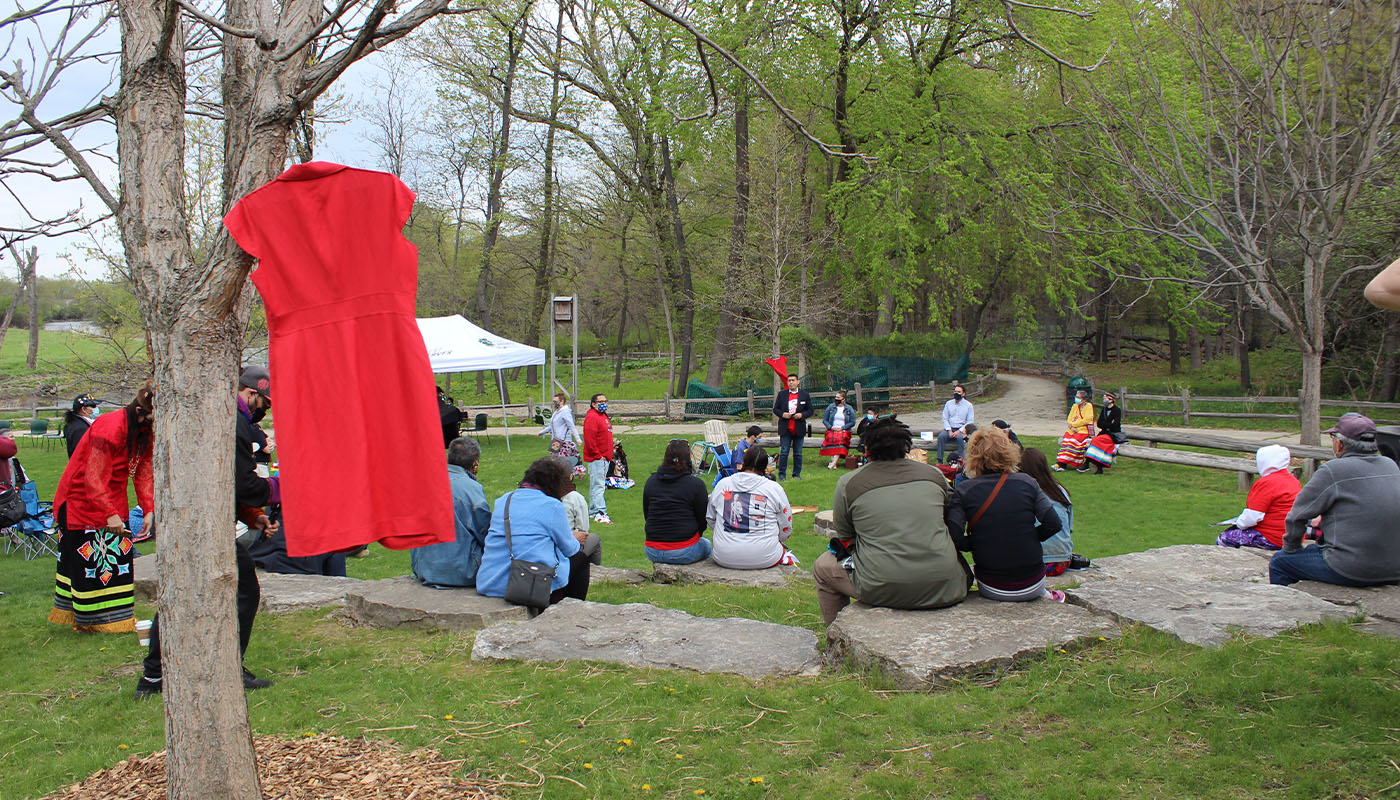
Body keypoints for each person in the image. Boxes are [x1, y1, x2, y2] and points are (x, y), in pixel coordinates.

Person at [137, 368, 277, 697]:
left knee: (180, 592)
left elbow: (224, 480)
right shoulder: (235, 423)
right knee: (241, 592)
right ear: (251, 393)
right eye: (264, 401)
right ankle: (223, 669)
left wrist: (251, 515)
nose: (265, 409)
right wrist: (280, 489)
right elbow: (244, 483)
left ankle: (155, 677)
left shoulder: (222, 417)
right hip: (198, 522)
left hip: (195, 517)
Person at [813, 417, 969, 625]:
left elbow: (845, 535)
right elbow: (950, 515)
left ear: (866, 449)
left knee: (823, 566)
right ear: (907, 446)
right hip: (947, 584)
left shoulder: (849, 483)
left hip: (880, 585)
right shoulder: (934, 475)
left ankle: (836, 634)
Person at [49, 384, 155, 634]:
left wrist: (148, 507)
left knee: (119, 561)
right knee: (88, 565)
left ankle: (116, 619)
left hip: (112, 498)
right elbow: (92, 477)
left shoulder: (144, 431)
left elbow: (144, 470)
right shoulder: (109, 427)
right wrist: (110, 513)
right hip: (80, 500)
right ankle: (90, 622)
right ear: (140, 411)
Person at [1269, 413, 1400, 587]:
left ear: (1339, 443)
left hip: (1352, 568)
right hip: (1394, 567)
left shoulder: (1333, 470)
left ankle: (1289, 610)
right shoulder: (1390, 465)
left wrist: (1291, 548)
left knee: (1280, 562)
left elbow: (1297, 515)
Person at [947, 429, 1066, 602]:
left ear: (972, 457)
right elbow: (1054, 523)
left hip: (992, 585)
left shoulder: (965, 490)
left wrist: (981, 542)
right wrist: (1027, 537)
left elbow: (955, 537)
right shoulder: (1027, 482)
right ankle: (1048, 595)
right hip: (1033, 582)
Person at [476, 456, 590, 605]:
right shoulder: (552, 506)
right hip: (528, 583)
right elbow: (569, 549)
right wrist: (575, 538)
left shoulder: (504, 500)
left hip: (491, 581)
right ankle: (568, 609)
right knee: (580, 560)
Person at [411, 437, 492, 588]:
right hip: (461, 572)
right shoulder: (471, 489)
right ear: (475, 463)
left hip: (423, 568)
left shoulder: (426, 482)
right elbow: (486, 534)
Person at [708, 446, 794, 569]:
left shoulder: (722, 485)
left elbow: (711, 518)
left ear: (743, 462)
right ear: (765, 467)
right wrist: (776, 538)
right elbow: (786, 524)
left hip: (724, 555)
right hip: (765, 556)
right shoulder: (774, 489)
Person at [1020, 447, 1090, 574]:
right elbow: (1068, 528)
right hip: (1062, 561)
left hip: (1035, 562)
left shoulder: (1024, 493)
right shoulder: (1060, 491)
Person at [1215, 445, 1300, 551]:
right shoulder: (1292, 480)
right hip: (1292, 535)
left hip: (1273, 537)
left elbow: (1253, 516)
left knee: (1224, 538)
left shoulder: (1267, 482)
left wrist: (1239, 524)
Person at [641, 440, 711, 564]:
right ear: (689, 458)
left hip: (652, 549)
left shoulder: (651, 481)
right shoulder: (696, 485)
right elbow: (702, 518)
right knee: (707, 545)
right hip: (683, 549)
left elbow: (647, 513)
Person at [771, 373, 812, 481]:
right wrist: (783, 414)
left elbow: (810, 410)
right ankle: (782, 475)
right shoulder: (782, 395)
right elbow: (776, 409)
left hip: (799, 428)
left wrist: (802, 415)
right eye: (789, 381)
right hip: (786, 428)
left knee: (798, 453)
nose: (791, 382)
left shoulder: (804, 395)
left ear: (798, 382)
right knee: (784, 452)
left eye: (793, 380)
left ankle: (796, 474)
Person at [583, 393, 614, 524]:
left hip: (604, 457)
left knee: (595, 485)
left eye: (605, 401)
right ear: (593, 404)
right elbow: (589, 439)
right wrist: (598, 455)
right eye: (600, 401)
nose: (603, 403)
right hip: (598, 458)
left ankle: (593, 511)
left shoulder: (602, 416)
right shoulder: (592, 417)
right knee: (599, 486)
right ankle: (601, 513)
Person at [1054, 389, 1096, 471]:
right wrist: (1071, 425)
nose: (1076, 398)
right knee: (1066, 441)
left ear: (1084, 399)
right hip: (1072, 430)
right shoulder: (1074, 406)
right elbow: (1070, 418)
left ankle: (1062, 463)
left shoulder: (1089, 406)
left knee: (1073, 442)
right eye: (1076, 396)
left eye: (1078, 397)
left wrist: (1074, 425)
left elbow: (1087, 420)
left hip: (1083, 431)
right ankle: (1062, 462)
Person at [561, 486, 603, 566]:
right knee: (594, 539)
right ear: (570, 476)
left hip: (539, 552)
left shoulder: (540, 496)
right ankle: (594, 574)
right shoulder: (574, 497)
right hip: (562, 553)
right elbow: (583, 532)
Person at [540, 391, 583, 468]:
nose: (554, 403)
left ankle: (573, 473)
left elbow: (571, 426)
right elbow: (552, 425)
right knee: (556, 460)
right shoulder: (556, 413)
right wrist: (542, 432)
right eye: (553, 401)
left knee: (564, 461)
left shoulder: (565, 412)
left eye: (555, 401)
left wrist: (578, 439)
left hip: (564, 442)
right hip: (556, 441)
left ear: (561, 401)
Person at [936, 385, 974, 464]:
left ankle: (961, 460)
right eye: (955, 391)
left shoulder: (969, 406)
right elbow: (945, 418)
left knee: (961, 439)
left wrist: (959, 431)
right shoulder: (948, 403)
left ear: (963, 394)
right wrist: (949, 430)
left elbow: (970, 421)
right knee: (941, 437)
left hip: (962, 430)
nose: (956, 393)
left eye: (959, 392)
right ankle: (940, 460)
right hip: (950, 428)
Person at [821, 390, 857, 470]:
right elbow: (825, 420)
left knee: (840, 439)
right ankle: (834, 463)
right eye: (835, 397)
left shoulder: (849, 408)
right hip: (832, 429)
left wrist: (842, 428)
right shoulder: (831, 407)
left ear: (843, 399)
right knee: (831, 438)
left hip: (844, 430)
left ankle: (833, 464)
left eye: (838, 397)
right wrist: (831, 427)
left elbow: (852, 422)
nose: (836, 399)